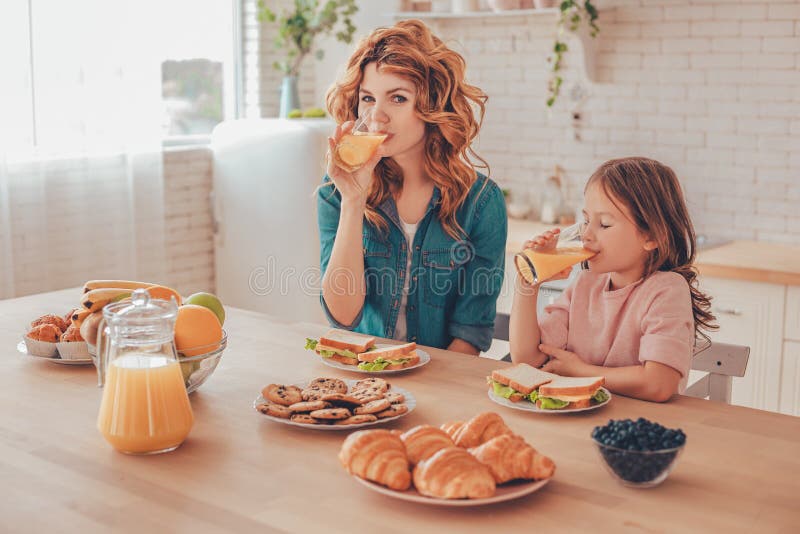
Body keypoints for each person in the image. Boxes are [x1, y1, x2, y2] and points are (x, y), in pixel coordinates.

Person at [317, 19, 507, 355]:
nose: (376, 116)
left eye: (398, 98)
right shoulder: (337, 191)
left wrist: (429, 396)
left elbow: (470, 335)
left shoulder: (481, 202)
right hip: (363, 383)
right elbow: (343, 318)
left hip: (443, 385)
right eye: (367, 98)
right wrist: (353, 202)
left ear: (432, 106)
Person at [509, 157, 716, 401]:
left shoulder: (666, 291)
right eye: (586, 221)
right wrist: (527, 283)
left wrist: (580, 372)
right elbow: (528, 358)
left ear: (651, 236)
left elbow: (659, 383)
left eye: (604, 224)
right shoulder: (585, 284)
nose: (586, 235)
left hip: (642, 429)